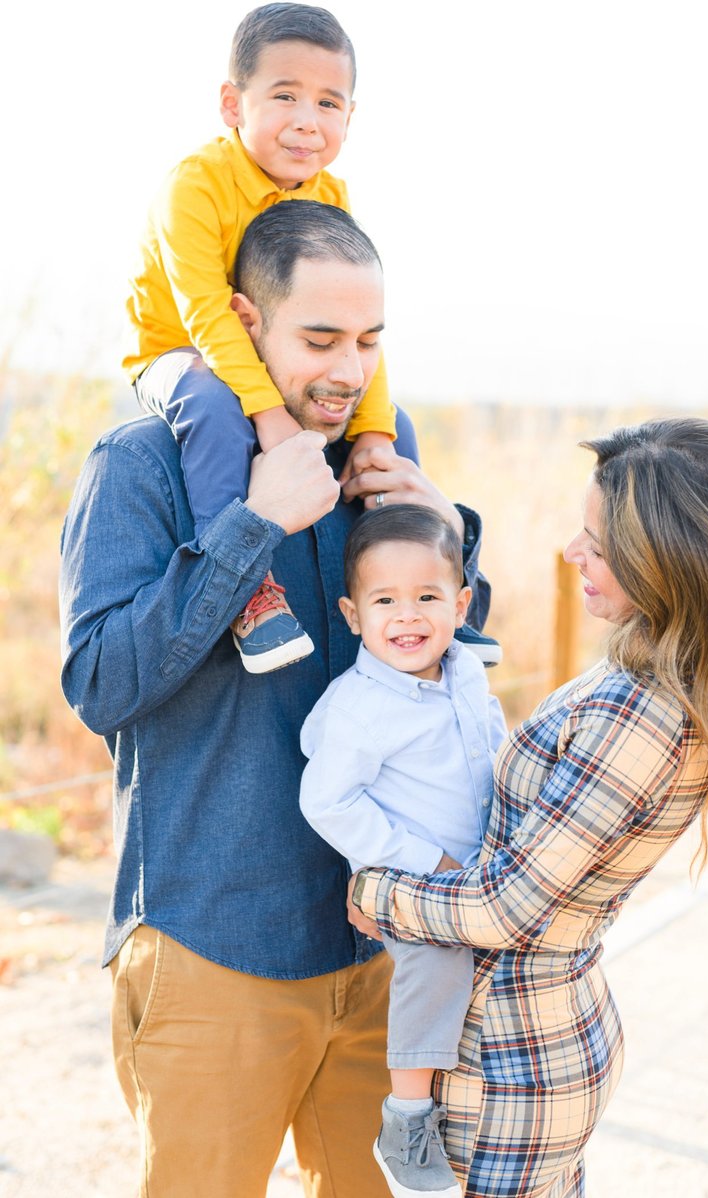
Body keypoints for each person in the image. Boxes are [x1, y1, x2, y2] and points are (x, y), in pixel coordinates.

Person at [59, 200, 491, 1198]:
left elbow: (443, 658)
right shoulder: (142, 464)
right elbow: (100, 681)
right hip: (219, 944)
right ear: (246, 326)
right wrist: (251, 525)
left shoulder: (375, 459)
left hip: (382, 943)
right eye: (321, 339)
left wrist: (435, 525)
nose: (349, 368)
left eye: (370, 340)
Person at [348, 417, 708, 1198]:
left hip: (509, 1061)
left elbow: (509, 906)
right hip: (541, 1033)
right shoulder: (662, 672)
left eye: (596, 539)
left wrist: (375, 895)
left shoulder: (640, 712)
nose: (571, 552)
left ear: (666, 556)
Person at [122, 1, 500, 673]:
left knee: (399, 435)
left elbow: (355, 324)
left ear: (351, 117)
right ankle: (251, 595)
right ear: (233, 103)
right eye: (285, 96)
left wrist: (376, 432)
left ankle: (426, 600)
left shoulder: (330, 197)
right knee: (212, 406)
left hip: (270, 365)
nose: (307, 120)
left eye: (329, 103)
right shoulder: (194, 188)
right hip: (176, 354)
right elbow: (208, 317)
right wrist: (271, 422)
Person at [299, 505, 508, 1198]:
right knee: (438, 962)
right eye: (384, 601)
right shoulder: (362, 706)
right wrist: (418, 863)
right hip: (412, 878)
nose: (407, 616)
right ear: (353, 615)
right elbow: (326, 800)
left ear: (461, 602)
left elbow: (487, 746)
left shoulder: (467, 673)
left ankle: (463, 1093)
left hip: (479, 872)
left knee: (490, 980)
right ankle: (408, 1116)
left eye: (427, 597)